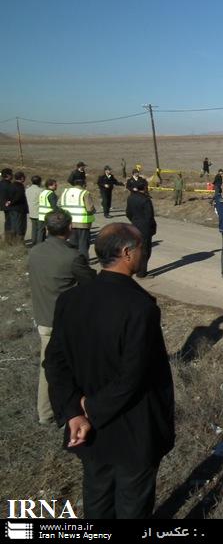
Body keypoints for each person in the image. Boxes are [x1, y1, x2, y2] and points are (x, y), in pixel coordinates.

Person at [44, 223, 175, 519]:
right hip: (133, 431)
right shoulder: (140, 307)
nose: (146, 253)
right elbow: (133, 375)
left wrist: (74, 412)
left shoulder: (71, 299)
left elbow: (54, 362)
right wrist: (90, 408)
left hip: (88, 432)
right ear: (127, 253)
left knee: (97, 501)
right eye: (143, 247)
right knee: (132, 506)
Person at [28, 209, 96, 424]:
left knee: (50, 366)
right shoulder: (73, 257)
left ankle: (49, 412)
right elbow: (90, 284)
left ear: (47, 228)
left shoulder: (35, 251)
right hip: (64, 323)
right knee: (63, 368)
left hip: (42, 317)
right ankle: (62, 411)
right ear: (69, 228)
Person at [58, 177, 95, 259]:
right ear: (83, 184)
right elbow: (90, 208)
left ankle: (73, 260)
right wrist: (93, 211)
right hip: (83, 223)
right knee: (83, 244)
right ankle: (83, 261)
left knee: (73, 242)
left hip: (69, 222)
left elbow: (59, 204)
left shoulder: (65, 191)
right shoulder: (84, 193)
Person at [126, 181, 157, 278]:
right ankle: (141, 273)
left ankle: (134, 268)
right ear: (144, 188)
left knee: (136, 249)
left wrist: (134, 221)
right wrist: (152, 227)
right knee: (145, 251)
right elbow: (149, 216)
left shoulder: (131, 197)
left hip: (134, 225)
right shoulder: (145, 200)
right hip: (145, 228)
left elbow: (128, 213)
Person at [5, 171, 29, 245]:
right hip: (19, 209)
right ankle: (19, 243)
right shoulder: (20, 186)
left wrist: (8, 202)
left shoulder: (11, 185)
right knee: (20, 226)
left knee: (13, 225)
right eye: (24, 177)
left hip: (11, 209)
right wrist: (11, 202)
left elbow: (8, 195)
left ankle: (11, 241)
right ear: (22, 178)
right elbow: (18, 197)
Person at [37, 179, 59, 244]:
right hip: (49, 215)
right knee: (51, 231)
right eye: (55, 185)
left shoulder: (43, 193)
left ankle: (40, 244)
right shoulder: (51, 194)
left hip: (41, 215)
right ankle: (50, 244)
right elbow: (54, 206)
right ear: (50, 185)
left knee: (41, 231)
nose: (56, 186)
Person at [25, 175, 44, 246]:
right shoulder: (40, 190)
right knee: (40, 229)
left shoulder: (27, 190)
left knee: (34, 228)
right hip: (39, 212)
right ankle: (39, 244)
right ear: (39, 182)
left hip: (31, 211)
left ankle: (33, 241)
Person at [0, 167, 12, 242]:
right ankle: (8, 240)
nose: (12, 175)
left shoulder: (1, 183)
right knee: (9, 222)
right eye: (11, 174)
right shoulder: (9, 185)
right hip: (9, 206)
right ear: (8, 175)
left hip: (2, 205)